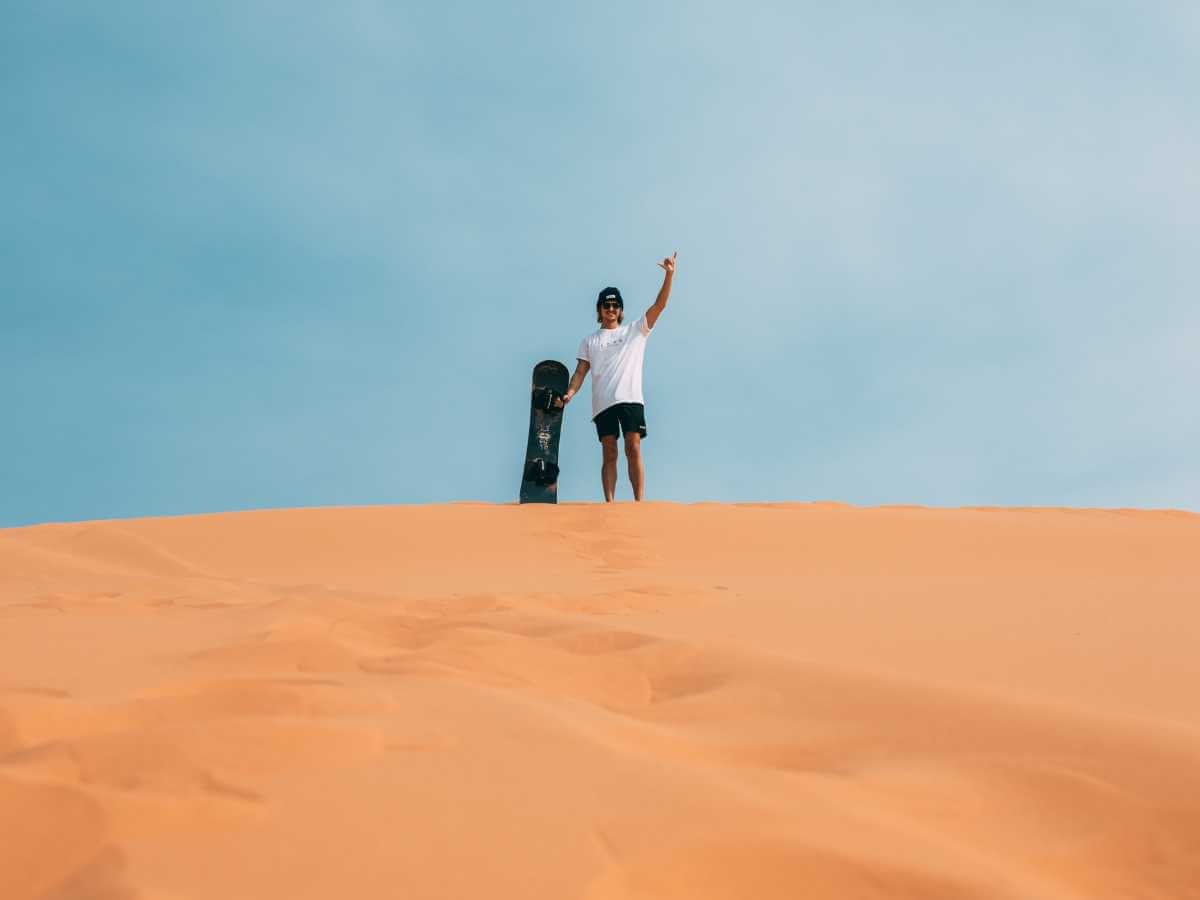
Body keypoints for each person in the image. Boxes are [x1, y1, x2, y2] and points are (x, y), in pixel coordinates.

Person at [560, 253, 676, 501]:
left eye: (615, 305)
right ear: (599, 310)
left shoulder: (635, 330)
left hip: (630, 398)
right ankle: (610, 503)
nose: (611, 309)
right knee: (609, 452)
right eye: (606, 305)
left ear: (620, 310)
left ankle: (639, 501)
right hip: (603, 403)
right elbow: (580, 371)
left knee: (633, 446)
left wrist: (669, 275)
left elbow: (659, 306)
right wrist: (570, 393)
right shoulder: (590, 340)